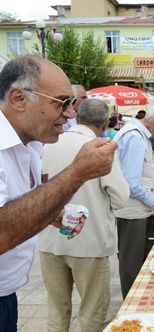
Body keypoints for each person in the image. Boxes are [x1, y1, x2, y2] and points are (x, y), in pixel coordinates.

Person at [0, 55, 117, 331]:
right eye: (62, 102)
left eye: (72, 104)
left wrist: (51, 214)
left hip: (8, 294)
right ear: (18, 99)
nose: (71, 113)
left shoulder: (31, 144)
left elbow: (14, 207)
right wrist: (79, 172)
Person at [39, 99, 130, 331]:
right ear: (106, 123)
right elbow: (120, 198)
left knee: (57, 312)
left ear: (76, 117)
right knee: (92, 313)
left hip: (49, 240)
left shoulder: (48, 144)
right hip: (89, 243)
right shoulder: (100, 147)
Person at [113, 104, 154, 298]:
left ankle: (146, 300)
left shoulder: (143, 137)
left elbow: (149, 178)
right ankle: (132, 308)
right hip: (132, 212)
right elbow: (132, 183)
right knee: (132, 265)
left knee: (148, 258)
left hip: (143, 210)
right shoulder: (134, 137)